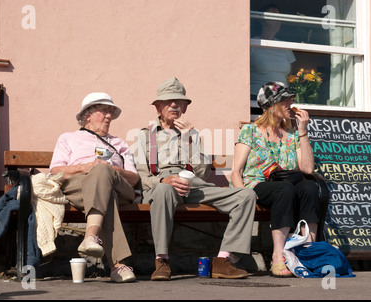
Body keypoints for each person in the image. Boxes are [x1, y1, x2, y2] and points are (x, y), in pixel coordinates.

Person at [134, 77, 257, 281]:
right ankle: (162, 261)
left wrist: (188, 138)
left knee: (246, 195)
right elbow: (141, 177)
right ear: (158, 107)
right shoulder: (145, 136)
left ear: (185, 108)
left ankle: (223, 260)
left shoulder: (192, 135)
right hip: (162, 188)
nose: (174, 105)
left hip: (195, 187)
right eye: (168, 101)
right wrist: (163, 182)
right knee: (165, 191)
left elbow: (202, 173)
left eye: (179, 102)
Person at [231, 81, 319, 277]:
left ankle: (308, 253)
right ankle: (278, 257)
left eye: (291, 99)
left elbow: (307, 168)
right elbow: (236, 171)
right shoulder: (251, 131)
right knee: (285, 190)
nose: (291, 103)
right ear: (271, 105)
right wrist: (244, 196)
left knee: (310, 188)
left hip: (285, 185)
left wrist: (303, 130)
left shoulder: (293, 134)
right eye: (285, 99)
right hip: (257, 186)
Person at [49, 92, 139, 283]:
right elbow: (55, 172)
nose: (109, 116)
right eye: (104, 111)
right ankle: (118, 266)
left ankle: (91, 236)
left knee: (102, 174)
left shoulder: (119, 143)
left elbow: (133, 179)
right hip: (79, 187)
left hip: (120, 187)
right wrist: (85, 167)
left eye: (111, 113)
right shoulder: (68, 138)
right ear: (87, 115)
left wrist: (112, 171)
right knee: (107, 195)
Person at [251, 4, 295, 116]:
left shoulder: (284, 47)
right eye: (272, 14)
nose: (277, 18)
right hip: (257, 101)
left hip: (282, 101)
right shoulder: (253, 44)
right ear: (262, 21)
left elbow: (291, 75)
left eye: (278, 16)